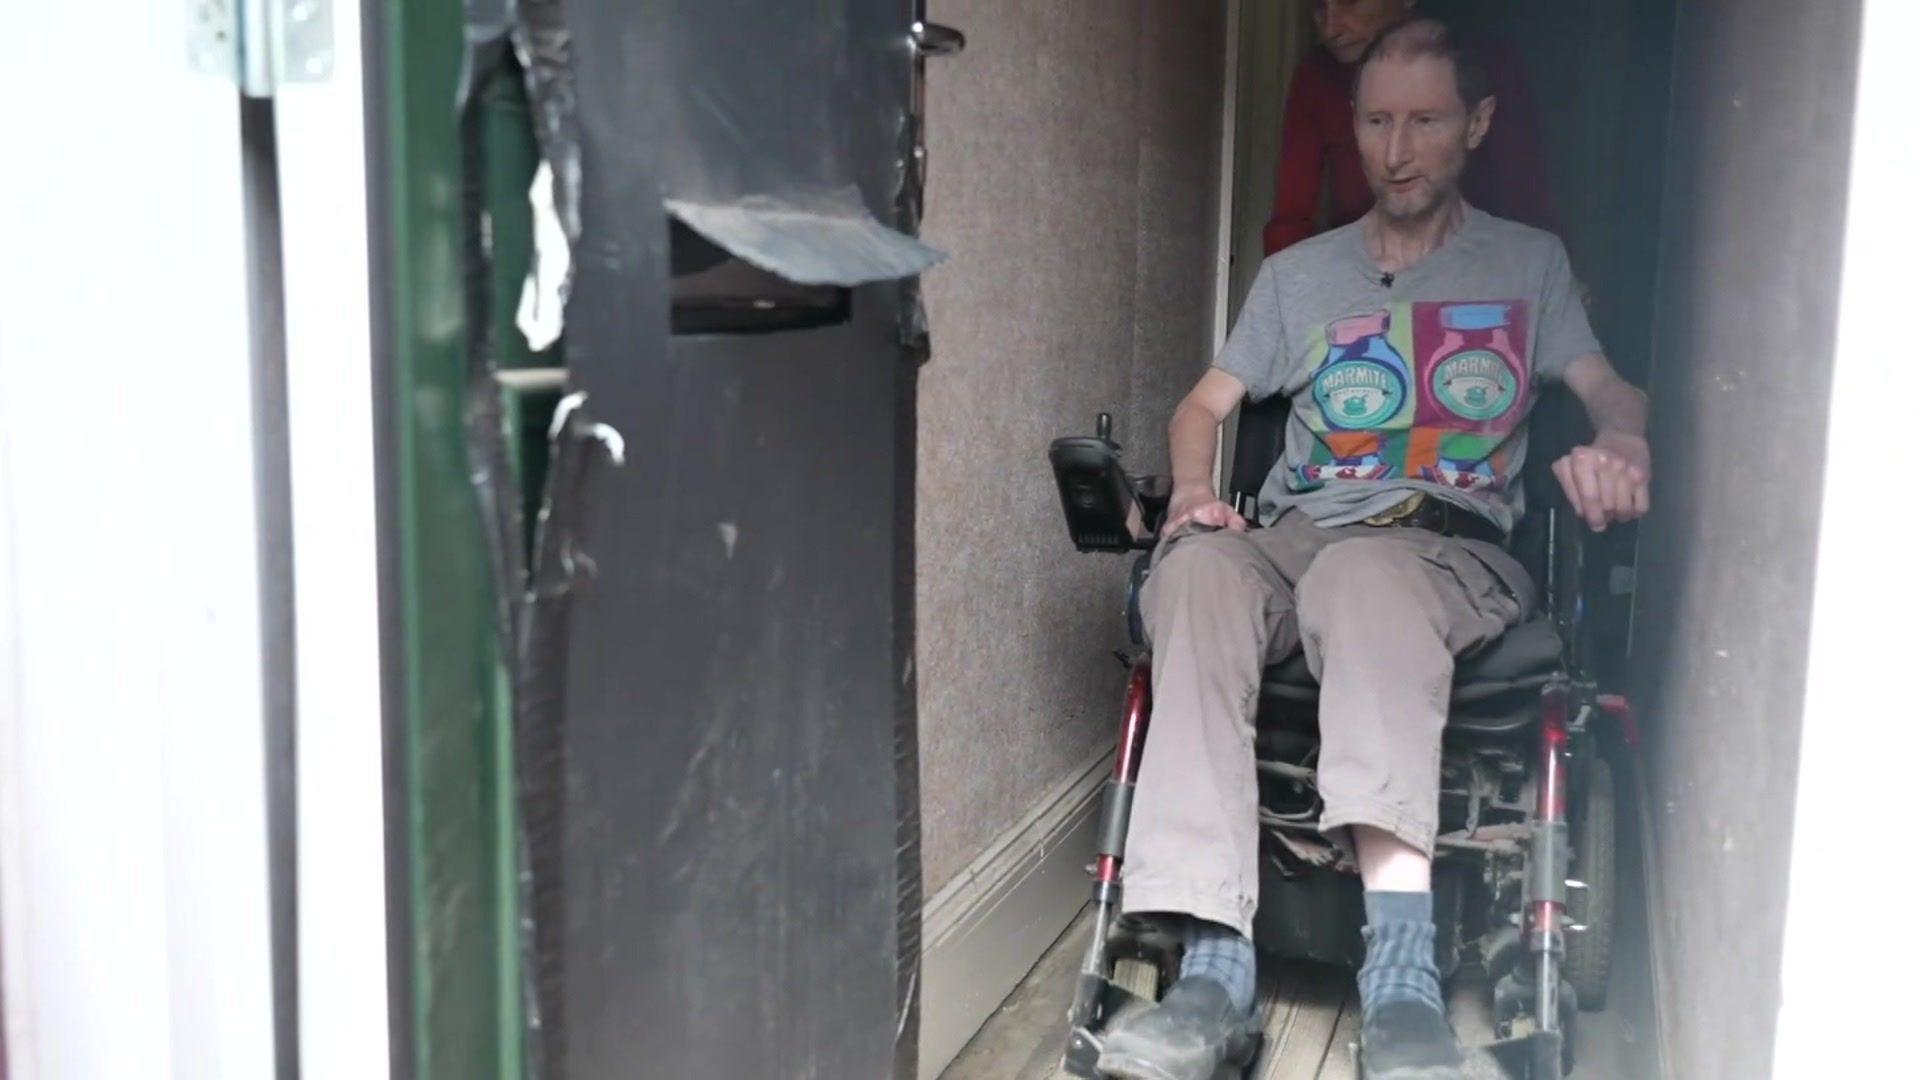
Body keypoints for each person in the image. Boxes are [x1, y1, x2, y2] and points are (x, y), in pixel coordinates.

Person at [1095, 18, 1650, 1080]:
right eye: (1378, 121)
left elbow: (1606, 385)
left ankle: (1401, 991)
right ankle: (1213, 975)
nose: (1398, 150)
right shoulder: (1300, 276)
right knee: (1197, 575)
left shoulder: (1529, 265)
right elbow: (1200, 406)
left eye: (1427, 121)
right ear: (1350, 126)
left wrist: (1623, 439)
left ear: (1475, 125)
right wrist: (1200, 498)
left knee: (1364, 572)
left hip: (1449, 553)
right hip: (1302, 536)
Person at [1263, 0, 1556, 255]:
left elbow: (1525, 193)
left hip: (1480, 269)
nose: (1331, 28)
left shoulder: (1481, 63)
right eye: (1318, 7)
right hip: (1361, 276)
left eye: (1350, 2)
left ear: (1478, 122)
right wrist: (1291, 294)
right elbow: (1291, 217)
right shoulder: (1317, 77)